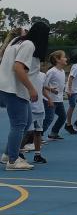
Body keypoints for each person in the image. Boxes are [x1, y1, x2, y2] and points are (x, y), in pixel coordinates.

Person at [0, 21, 49, 171]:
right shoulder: (29, 45)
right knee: (19, 124)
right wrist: (32, 89)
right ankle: (13, 161)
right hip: (14, 90)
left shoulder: (16, 41)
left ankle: (8, 154)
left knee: (26, 121)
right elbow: (18, 68)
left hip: (7, 87)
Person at [44, 50, 67, 140]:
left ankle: (53, 133)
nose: (66, 58)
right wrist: (51, 90)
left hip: (59, 100)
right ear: (57, 59)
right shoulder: (51, 71)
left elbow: (61, 84)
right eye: (64, 57)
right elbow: (43, 84)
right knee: (49, 118)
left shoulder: (62, 71)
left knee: (62, 117)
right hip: (50, 99)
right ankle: (38, 136)